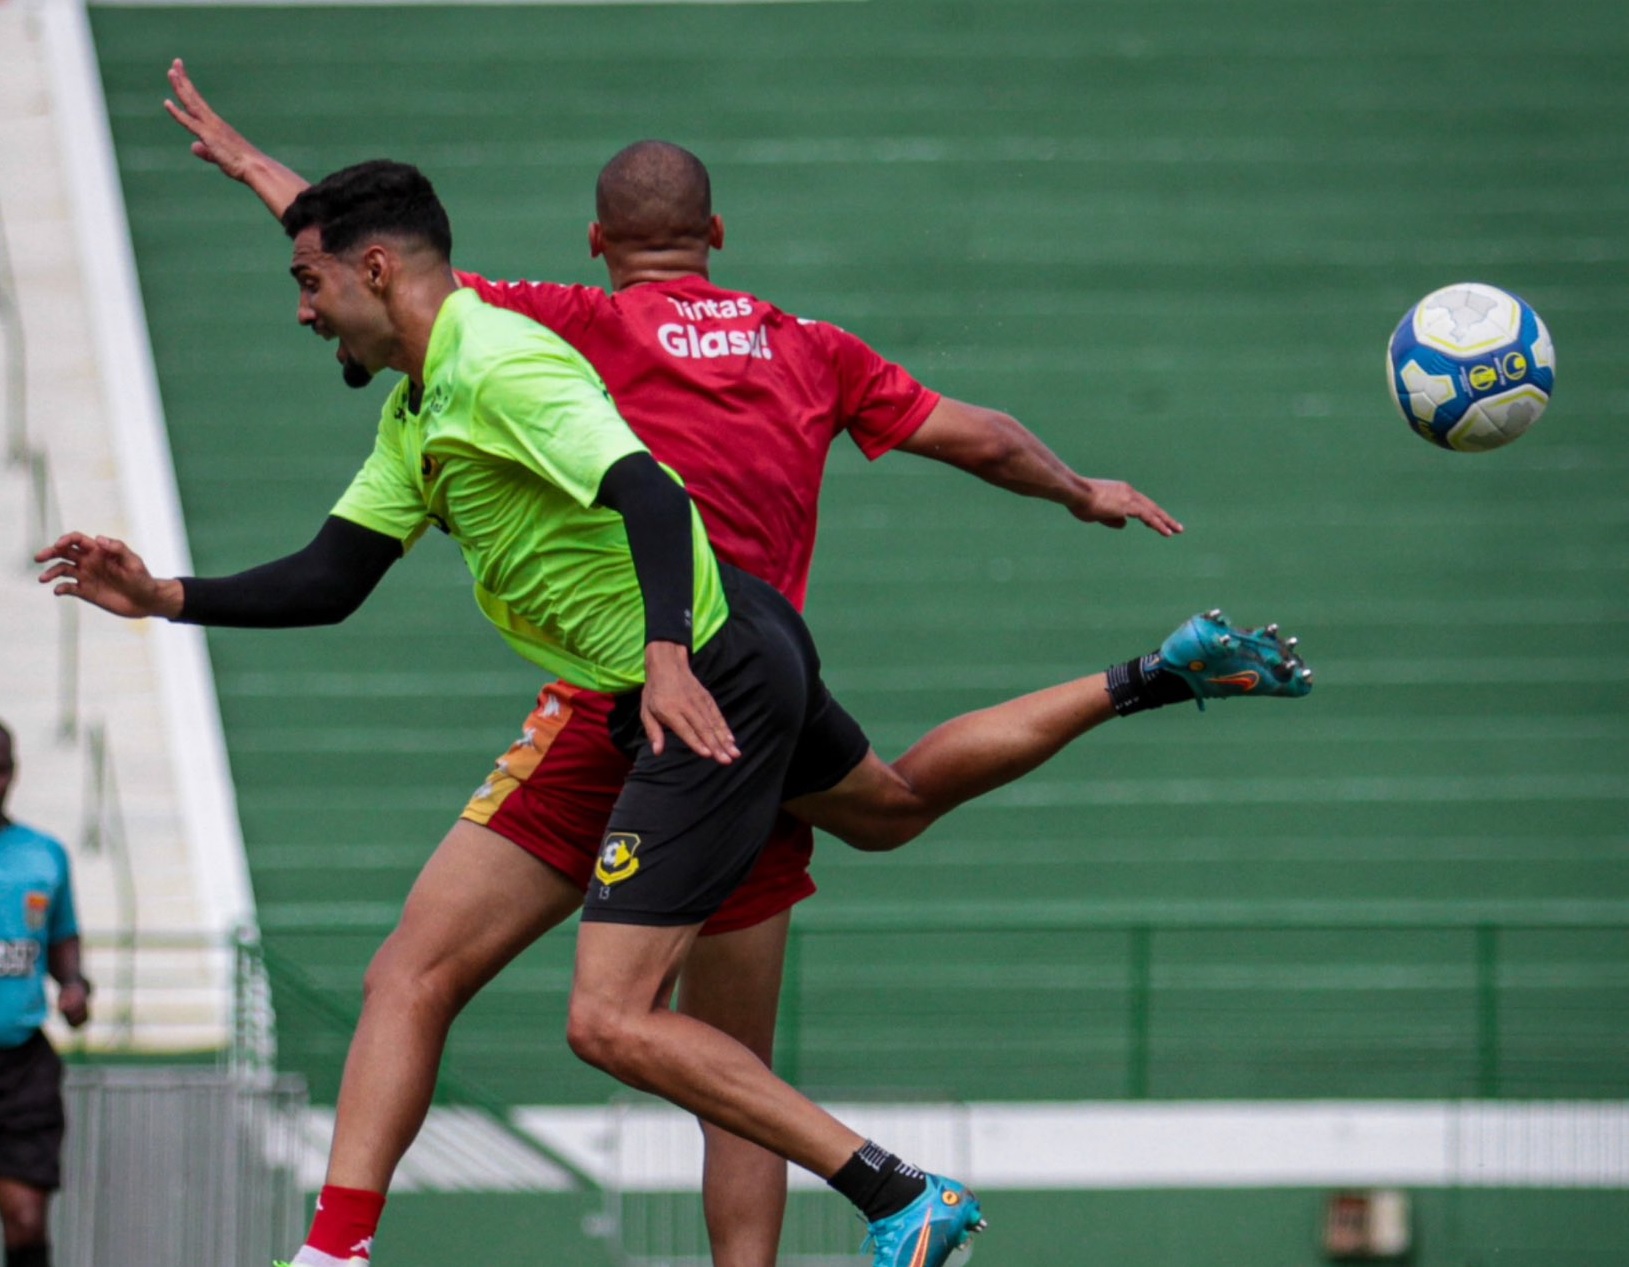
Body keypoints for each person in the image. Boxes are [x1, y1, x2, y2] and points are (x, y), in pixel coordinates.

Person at [38, 159, 1309, 1267]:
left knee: (612, 1021)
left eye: (307, 286)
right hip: (733, 654)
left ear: (596, 243)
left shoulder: (548, 332)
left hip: (683, 681)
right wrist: (160, 594)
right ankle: (1150, 675)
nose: (302, 309)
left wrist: (659, 658)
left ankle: (898, 1189)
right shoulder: (790, 345)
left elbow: (637, 483)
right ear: (721, 231)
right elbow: (974, 434)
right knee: (879, 827)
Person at [0, 723, 91, 1267]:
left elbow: (63, 940)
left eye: (3, 768)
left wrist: (75, 986)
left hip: (22, 1065)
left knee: (27, 1218)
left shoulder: (44, 854)